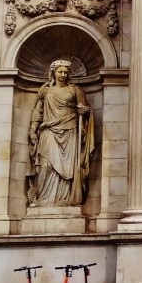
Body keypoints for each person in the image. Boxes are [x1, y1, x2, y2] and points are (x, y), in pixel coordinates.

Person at [27, 59, 95, 207]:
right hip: (48, 130)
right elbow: (38, 113)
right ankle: (42, 199)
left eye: (65, 72)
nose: (63, 74)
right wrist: (32, 130)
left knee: (68, 167)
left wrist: (86, 111)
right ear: (53, 72)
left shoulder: (75, 90)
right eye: (60, 72)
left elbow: (85, 108)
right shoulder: (46, 90)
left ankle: (65, 199)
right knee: (45, 165)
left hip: (70, 130)